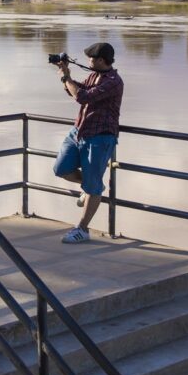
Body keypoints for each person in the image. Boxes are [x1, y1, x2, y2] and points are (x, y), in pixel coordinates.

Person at [53, 42, 124, 244]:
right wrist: (65, 75)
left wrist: (66, 77)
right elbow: (77, 90)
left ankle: (82, 229)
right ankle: (90, 187)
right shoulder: (94, 75)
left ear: (101, 60)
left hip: (100, 137)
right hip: (79, 131)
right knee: (61, 169)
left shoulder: (113, 81)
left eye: (91, 59)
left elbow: (82, 97)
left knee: (93, 186)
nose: (88, 61)